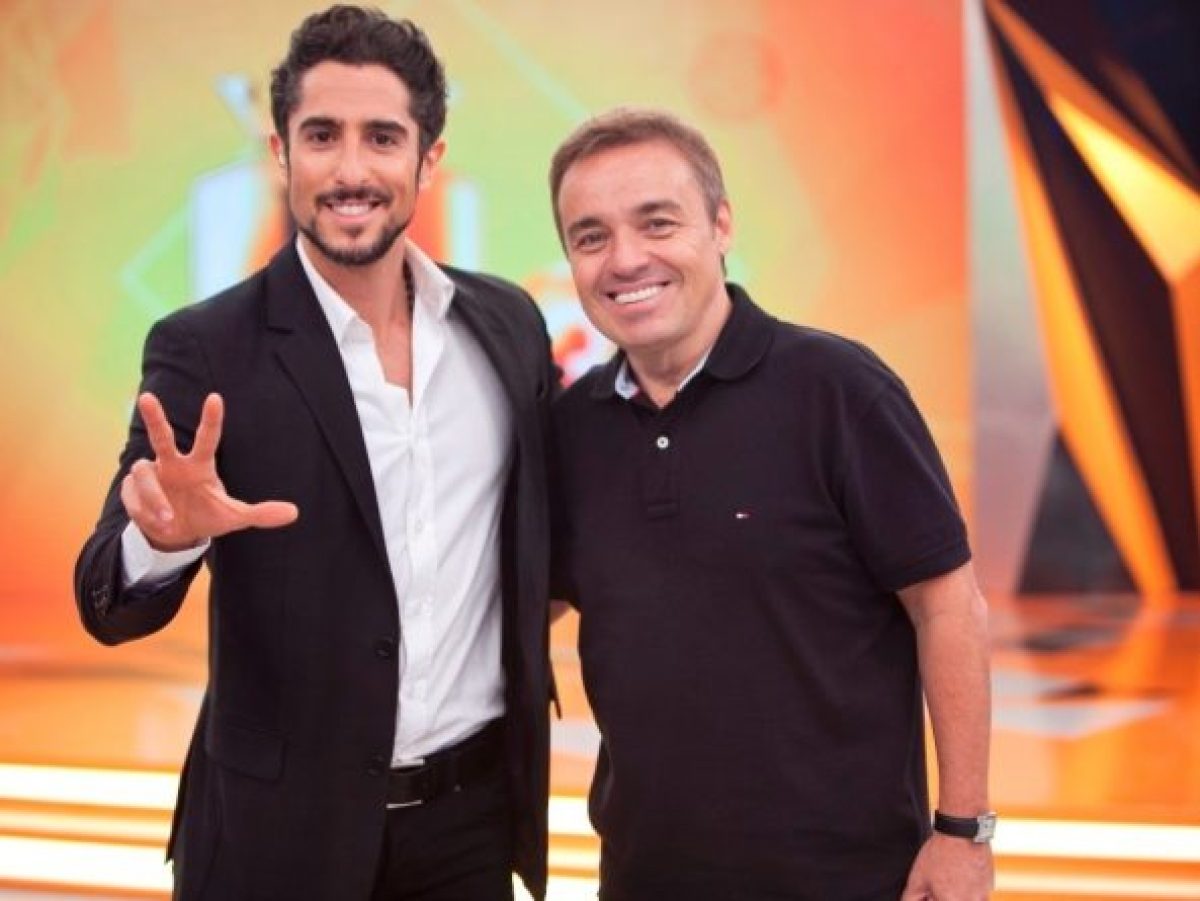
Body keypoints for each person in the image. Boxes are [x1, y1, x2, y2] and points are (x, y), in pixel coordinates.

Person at [74, 7, 556, 900]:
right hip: (278, 833)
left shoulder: (507, 327)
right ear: (281, 152)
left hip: (469, 824)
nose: (351, 170)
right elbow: (105, 599)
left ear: (429, 159)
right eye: (322, 135)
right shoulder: (206, 347)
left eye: (383, 137)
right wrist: (165, 539)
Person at [548, 108, 994, 900]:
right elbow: (522, 608)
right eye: (591, 236)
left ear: (721, 224)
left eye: (658, 222)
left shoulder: (841, 391)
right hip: (644, 877)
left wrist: (963, 831)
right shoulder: (568, 429)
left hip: (851, 879)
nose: (626, 258)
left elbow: (947, 607)